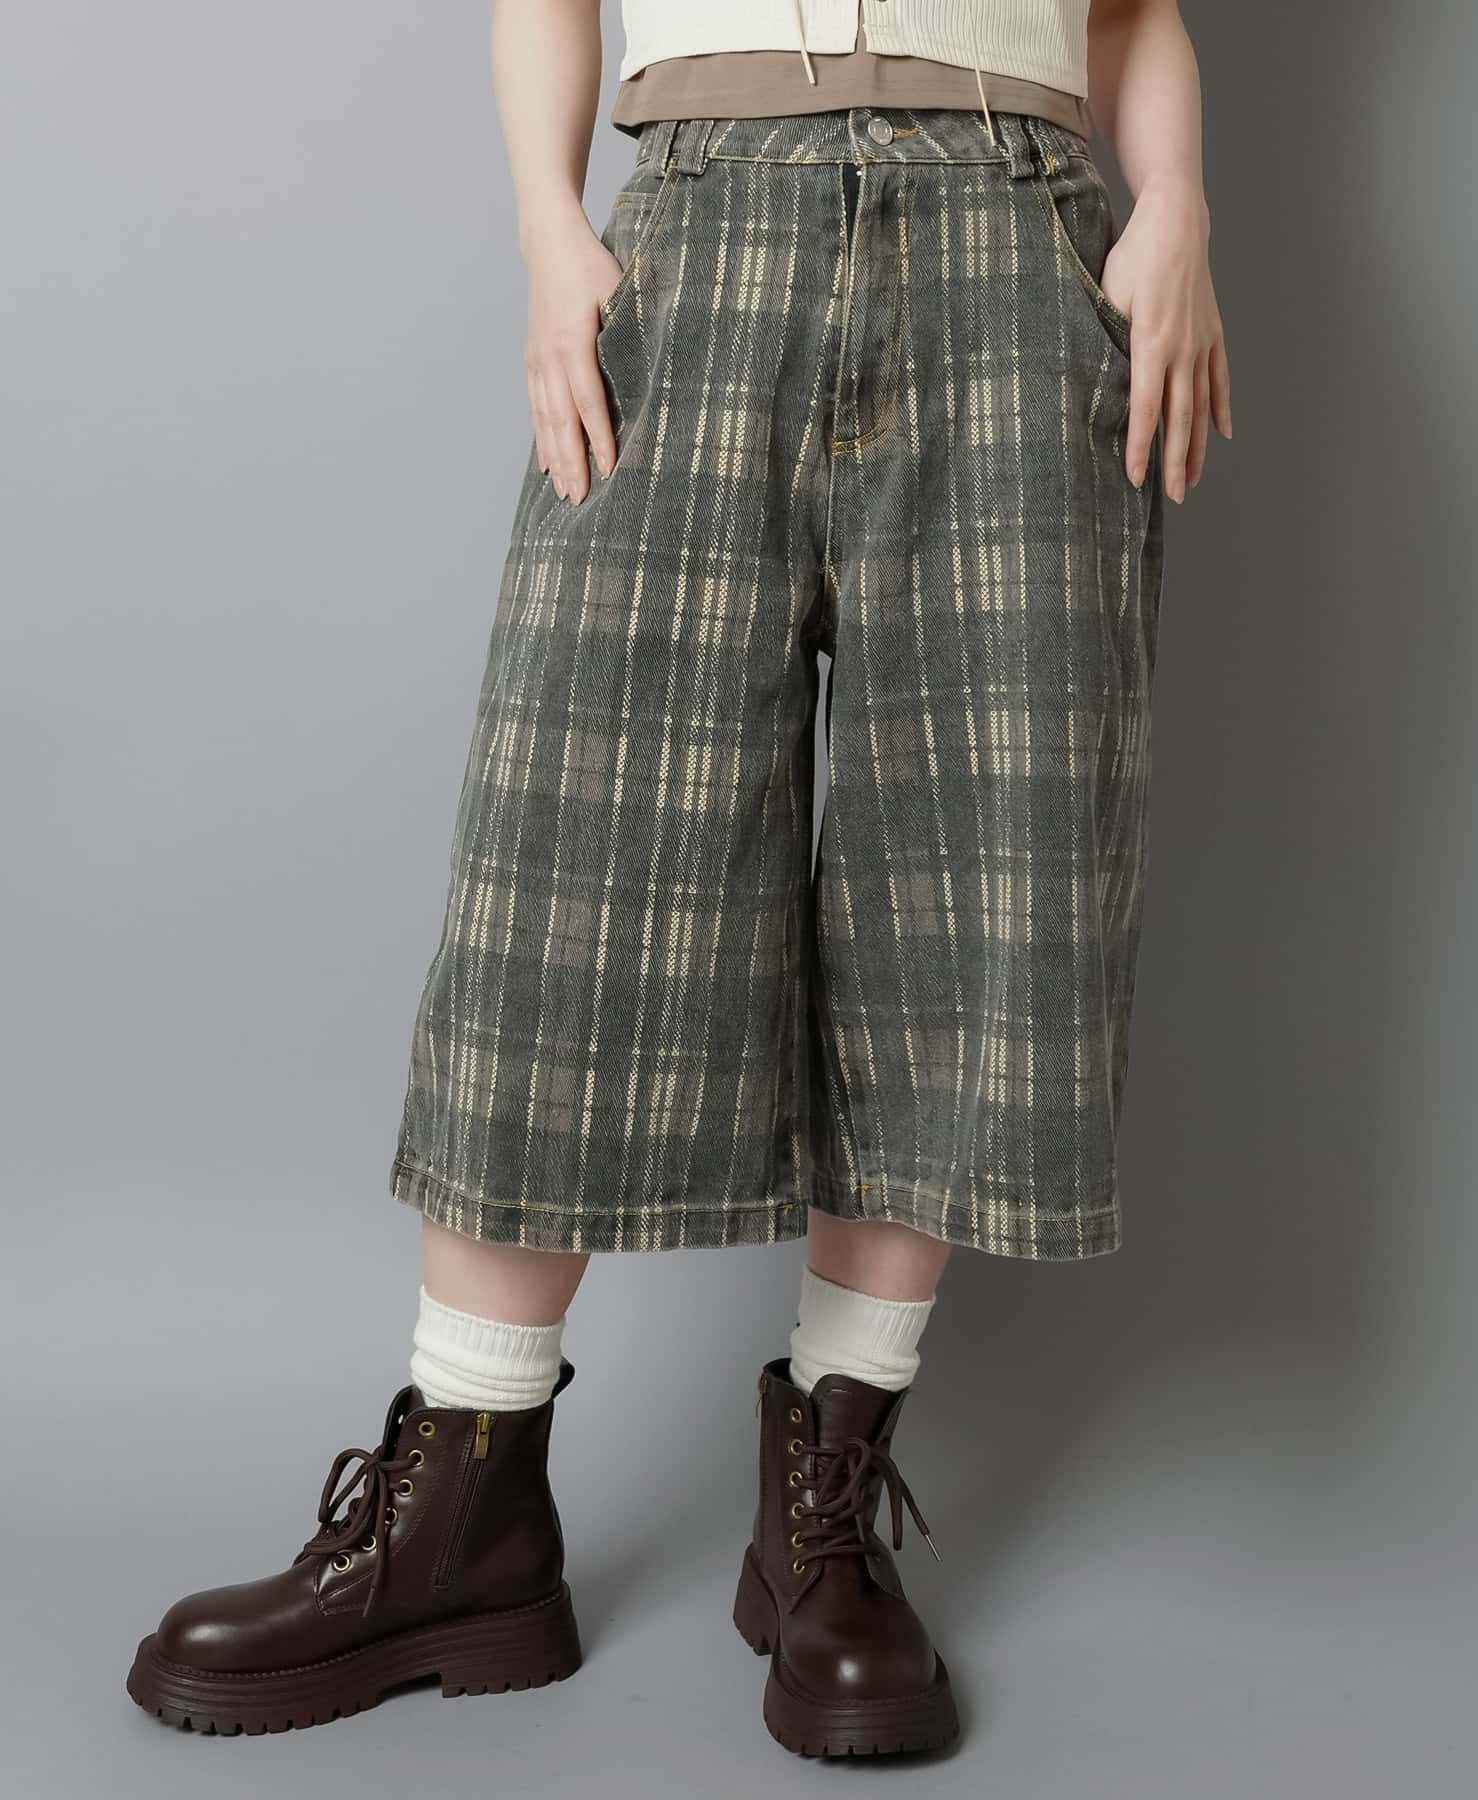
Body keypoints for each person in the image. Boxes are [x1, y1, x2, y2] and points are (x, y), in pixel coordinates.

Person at [126, 0, 1228, 1758]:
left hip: (1022, 243)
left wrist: (1175, 210)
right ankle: (462, 1515)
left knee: (979, 871)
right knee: (568, 856)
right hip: (702, 227)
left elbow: (1133, 12)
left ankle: (825, 1517)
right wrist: (551, 234)